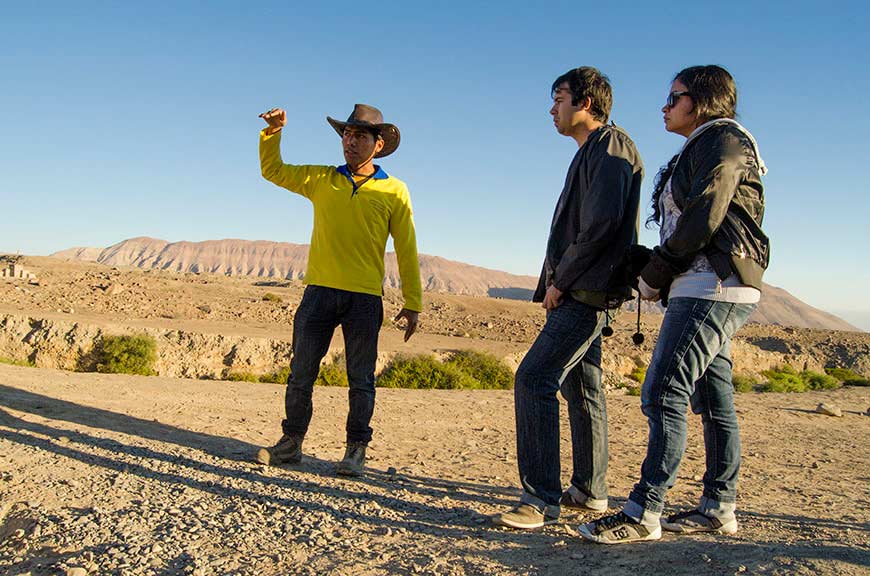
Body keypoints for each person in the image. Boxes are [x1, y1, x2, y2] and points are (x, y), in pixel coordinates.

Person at [579, 65, 769, 544]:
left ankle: (645, 512)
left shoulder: (722, 141)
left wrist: (658, 270)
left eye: (673, 97)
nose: (664, 106)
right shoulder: (706, 143)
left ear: (700, 100)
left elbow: (707, 211)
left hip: (712, 285)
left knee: (663, 391)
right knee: (714, 397)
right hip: (715, 281)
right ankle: (718, 506)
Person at [493, 67, 643, 529]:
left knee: (534, 378)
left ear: (587, 103)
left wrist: (562, 282)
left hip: (587, 290)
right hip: (583, 286)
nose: (551, 109)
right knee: (583, 386)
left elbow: (599, 226)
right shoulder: (590, 152)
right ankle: (591, 490)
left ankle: (540, 499)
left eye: (558, 98)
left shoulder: (611, 146)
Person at [255, 104, 422, 476]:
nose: (351, 141)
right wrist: (274, 133)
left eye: (360, 135)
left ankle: (356, 449)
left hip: (364, 298)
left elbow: (407, 247)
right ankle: (291, 443)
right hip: (318, 293)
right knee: (301, 372)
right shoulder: (321, 178)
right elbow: (273, 171)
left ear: (378, 144)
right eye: (347, 134)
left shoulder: (395, 190)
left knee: (360, 379)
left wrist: (413, 301)